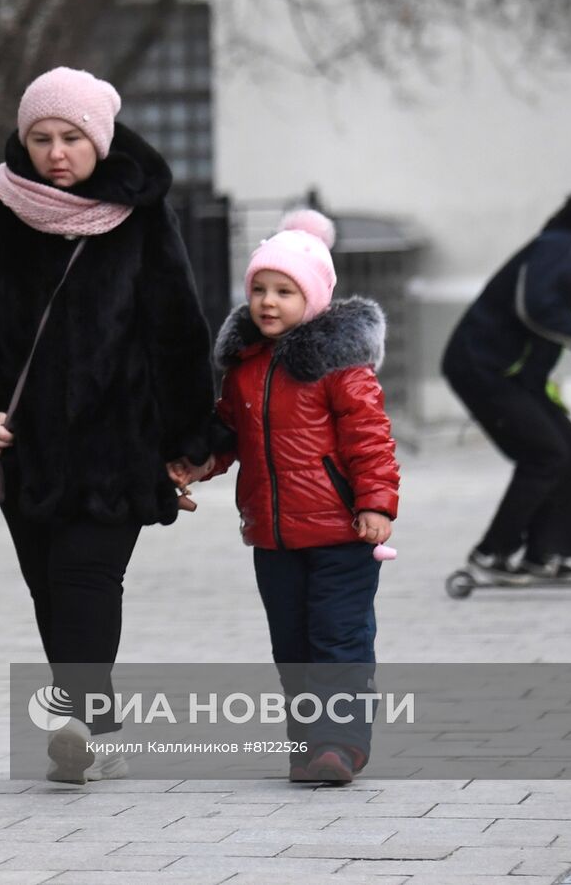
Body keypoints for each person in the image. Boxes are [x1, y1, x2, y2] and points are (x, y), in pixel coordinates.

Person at [0, 67, 216, 784]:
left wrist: (189, 444)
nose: (57, 152)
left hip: (119, 437)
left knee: (85, 573)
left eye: (73, 137)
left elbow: (178, 330)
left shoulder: (141, 215)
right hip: (25, 445)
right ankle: (99, 724)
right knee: (48, 584)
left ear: (102, 138)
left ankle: (77, 719)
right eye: (42, 137)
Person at [174, 210, 400, 785]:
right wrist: (198, 461)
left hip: (340, 532)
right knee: (292, 645)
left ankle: (341, 745)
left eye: (284, 291)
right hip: (272, 536)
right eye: (259, 290)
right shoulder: (245, 368)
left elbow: (370, 438)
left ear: (316, 298)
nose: (268, 302)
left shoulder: (340, 368)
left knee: (339, 638)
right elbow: (230, 433)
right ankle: (306, 744)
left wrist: (375, 502)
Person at [441, 170, 571, 586]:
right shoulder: (564, 246)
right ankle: (489, 554)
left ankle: (545, 554)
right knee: (545, 453)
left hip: (512, 372)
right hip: (482, 367)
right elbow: (535, 306)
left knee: (567, 443)